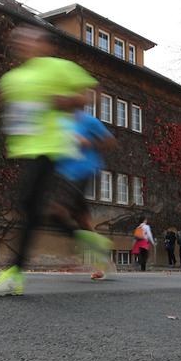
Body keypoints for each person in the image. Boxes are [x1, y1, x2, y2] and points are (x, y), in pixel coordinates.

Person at [0, 26, 102, 296]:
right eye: (18, 41)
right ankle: (80, 237)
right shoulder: (12, 78)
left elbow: (88, 94)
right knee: (33, 208)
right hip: (27, 148)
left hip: (54, 145)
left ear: (45, 45)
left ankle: (14, 273)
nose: (23, 44)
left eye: (30, 40)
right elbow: (16, 107)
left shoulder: (59, 68)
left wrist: (65, 100)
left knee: (29, 204)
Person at [48, 107, 117, 279]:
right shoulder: (58, 121)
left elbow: (110, 141)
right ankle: (106, 263)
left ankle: (76, 255)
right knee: (83, 221)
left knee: (57, 211)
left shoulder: (88, 120)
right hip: (62, 174)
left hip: (81, 171)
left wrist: (87, 142)